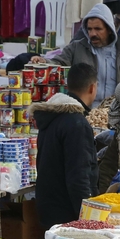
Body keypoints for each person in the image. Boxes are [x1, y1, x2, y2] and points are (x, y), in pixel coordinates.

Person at [32, 63, 98, 230]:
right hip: (67, 215)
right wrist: (87, 219)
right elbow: (79, 176)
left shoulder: (53, 116)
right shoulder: (77, 123)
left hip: (49, 208)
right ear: (92, 88)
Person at [32, 3, 120, 101]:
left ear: (110, 29)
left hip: (118, 116)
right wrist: (43, 61)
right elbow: (58, 63)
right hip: (84, 114)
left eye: (98, 29)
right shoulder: (76, 48)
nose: (92, 34)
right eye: (89, 29)